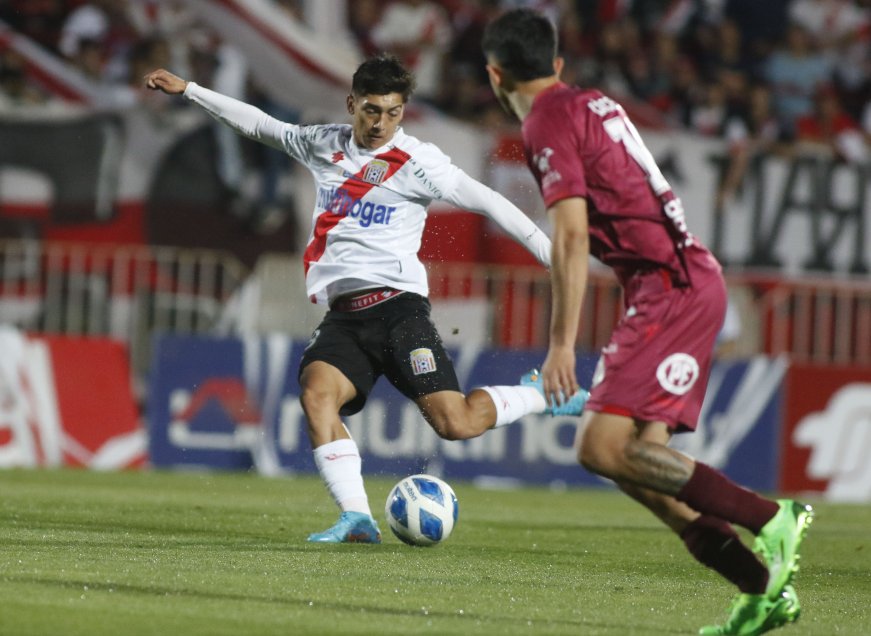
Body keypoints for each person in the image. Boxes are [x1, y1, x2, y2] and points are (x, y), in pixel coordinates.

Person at [144, 54, 587, 544]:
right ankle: (358, 518)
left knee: (455, 423)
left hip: (399, 311)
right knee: (316, 396)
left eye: (393, 113)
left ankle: (541, 395)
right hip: (344, 318)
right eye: (372, 110)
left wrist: (553, 255)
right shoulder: (322, 144)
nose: (381, 123)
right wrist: (190, 90)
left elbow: (490, 201)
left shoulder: (418, 162)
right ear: (352, 103)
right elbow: (261, 126)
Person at [481, 9, 813, 636]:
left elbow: (572, 236)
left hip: (671, 289)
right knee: (640, 469)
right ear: (556, 64)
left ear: (495, 74)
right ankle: (761, 589)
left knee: (601, 448)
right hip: (675, 282)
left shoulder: (546, 120)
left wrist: (559, 347)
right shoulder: (590, 101)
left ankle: (771, 517)